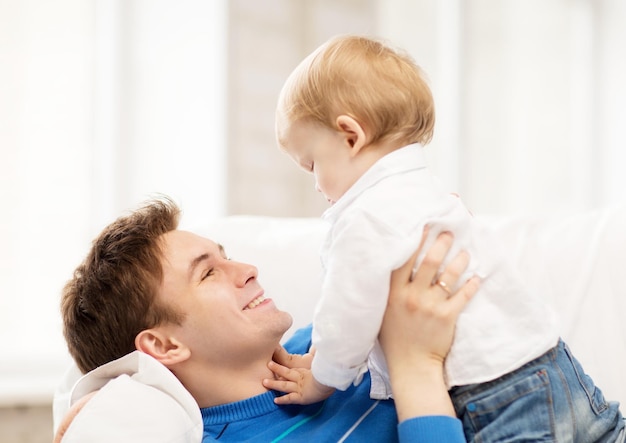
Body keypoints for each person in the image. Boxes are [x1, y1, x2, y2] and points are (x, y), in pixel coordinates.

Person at [271, 34, 625, 442]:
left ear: (351, 136)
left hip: (495, 393)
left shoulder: (363, 218)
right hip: (553, 362)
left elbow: (348, 314)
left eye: (312, 163)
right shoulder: (427, 191)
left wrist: (321, 380)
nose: (316, 184)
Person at [56, 196, 480, 442]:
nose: (247, 270)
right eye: (207, 273)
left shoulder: (336, 339)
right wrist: (415, 369)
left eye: (227, 256)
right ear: (164, 347)